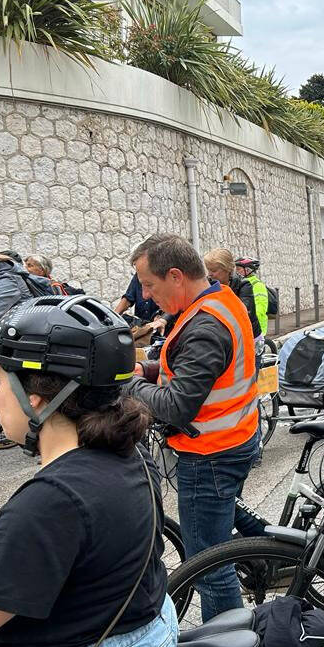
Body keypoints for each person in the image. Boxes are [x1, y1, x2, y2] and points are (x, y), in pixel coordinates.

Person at [0, 295, 177, 647]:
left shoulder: (54, 499)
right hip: (138, 646)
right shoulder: (126, 453)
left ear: (35, 394)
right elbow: (43, 539)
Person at [126, 234, 261, 621]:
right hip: (236, 438)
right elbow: (196, 371)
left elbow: (176, 407)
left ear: (175, 275)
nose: (147, 296)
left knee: (208, 562)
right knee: (222, 511)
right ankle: (276, 556)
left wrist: (127, 383)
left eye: (150, 285)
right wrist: (148, 370)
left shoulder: (204, 324)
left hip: (210, 453)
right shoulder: (220, 300)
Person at [204, 247, 264, 352]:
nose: (209, 274)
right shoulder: (208, 283)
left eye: (213, 270)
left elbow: (244, 313)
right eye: (208, 270)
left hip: (249, 340)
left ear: (227, 269)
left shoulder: (243, 284)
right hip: (226, 340)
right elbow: (191, 299)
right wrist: (165, 319)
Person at [234, 257, 270, 337]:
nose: (236, 272)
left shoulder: (257, 285)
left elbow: (260, 309)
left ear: (247, 270)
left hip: (256, 329)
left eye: (239, 269)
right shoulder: (240, 284)